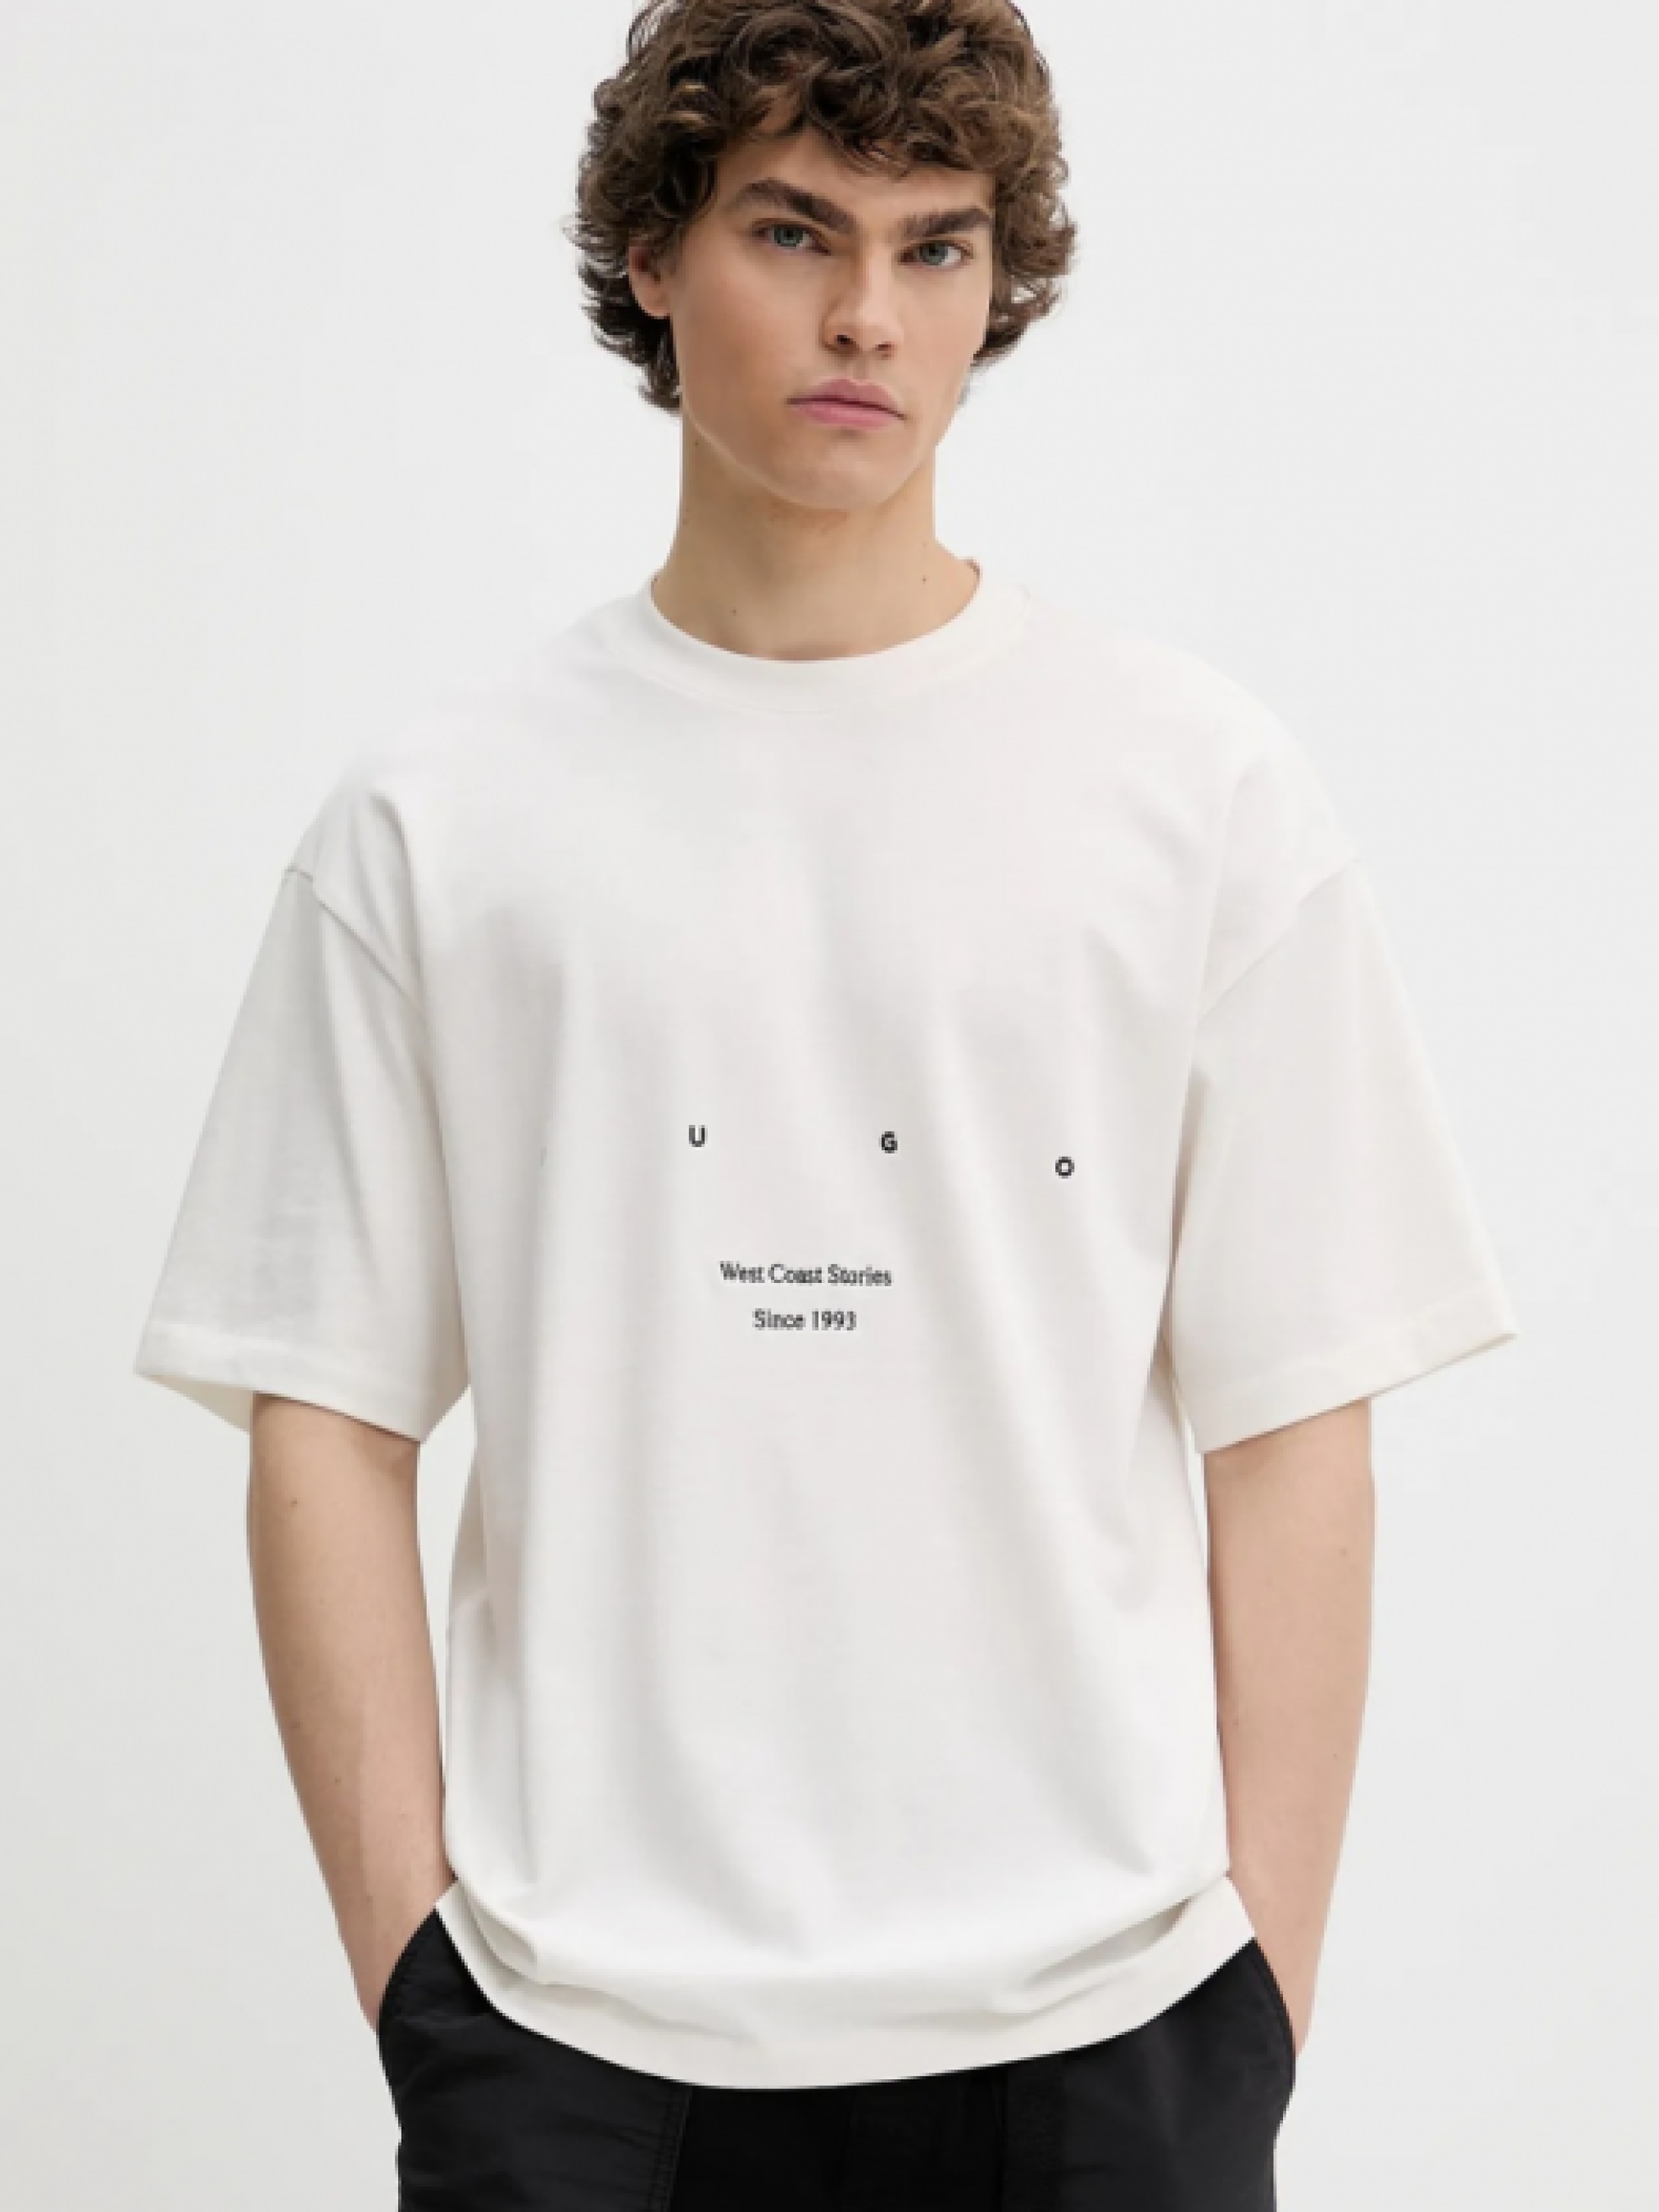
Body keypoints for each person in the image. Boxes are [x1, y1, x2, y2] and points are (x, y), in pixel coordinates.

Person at [133, 2, 1519, 2205]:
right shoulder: (441, 819)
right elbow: (323, 1406)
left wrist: (1257, 1997)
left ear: (996, 284)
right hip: (578, 2038)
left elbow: (1291, 1424)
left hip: (1108, 2027)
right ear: (653, 255)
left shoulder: (1197, 793)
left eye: (936, 246)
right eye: (794, 231)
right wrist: (427, 1991)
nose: (870, 312)